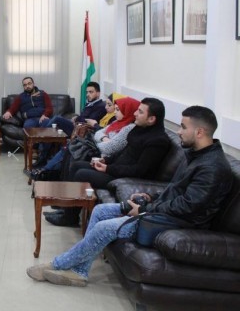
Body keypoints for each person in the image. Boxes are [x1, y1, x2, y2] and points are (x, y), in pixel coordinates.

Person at [27, 105, 233, 287]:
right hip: (163, 211)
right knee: (100, 210)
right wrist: (151, 197)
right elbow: (176, 190)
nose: (179, 131)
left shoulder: (212, 167)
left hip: (177, 222)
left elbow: (188, 207)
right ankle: (80, 272)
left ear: (199, 132)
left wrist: (144, 209)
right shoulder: (196, 155)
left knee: (104, 227)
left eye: (183, 127)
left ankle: (57, 265)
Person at [46, 97, 171, 227]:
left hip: (127, 176)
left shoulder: (158, 141)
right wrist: (105, 160)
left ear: (151, 119)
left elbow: (140, 170)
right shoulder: (139, 129)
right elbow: (123, 153)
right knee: (76, 165)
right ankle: (67, 207)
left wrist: (108, 168)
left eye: (140, 112)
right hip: (116, 168)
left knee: (81, 174)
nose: (135, 113)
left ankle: (70, 218)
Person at [34, 96, 139, 180]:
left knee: (72, 149)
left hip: (102, 156)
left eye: (118, 110)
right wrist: (104, 138)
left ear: (128, 110)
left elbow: (108, 148)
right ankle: (48, 172)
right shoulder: (116, 122)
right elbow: (99, 133)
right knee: (70, 147)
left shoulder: (128, 128)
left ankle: (46, 171)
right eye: (115, 109)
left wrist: (100, 138)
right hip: (95, 147)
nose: (114, 112)